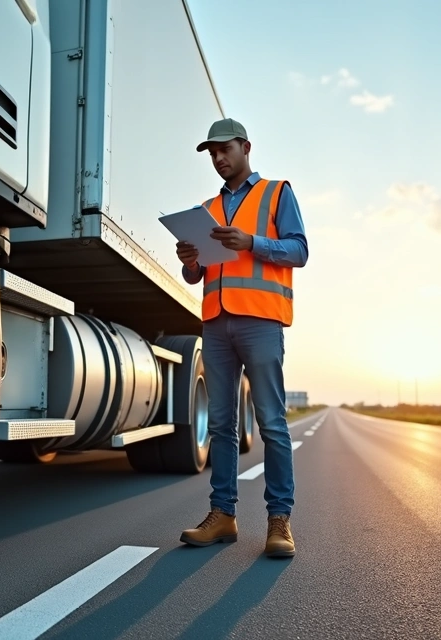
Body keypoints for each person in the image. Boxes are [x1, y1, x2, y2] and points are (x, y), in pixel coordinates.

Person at [175, 118, 308, 558]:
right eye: (211, 153)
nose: (217, 159)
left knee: (271, 422)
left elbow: (299, 250)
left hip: (261, 320)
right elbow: (196, 275)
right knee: (220, 425)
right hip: (215, 321)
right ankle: (223, 515)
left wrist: (251, 241)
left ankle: (279, 521)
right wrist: (190, 260)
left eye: (224, 149)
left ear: (245, 147)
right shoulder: (207, 207)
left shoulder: (276, 192)